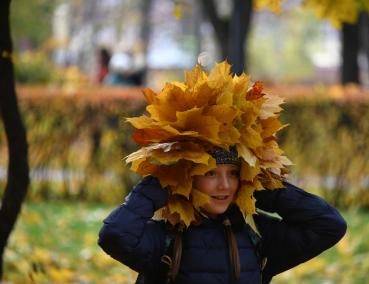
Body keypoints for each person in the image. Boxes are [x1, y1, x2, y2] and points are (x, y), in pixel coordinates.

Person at [98, 61, 347, 284]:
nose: (224, 185)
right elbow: (115, 235)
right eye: (210, 174)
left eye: (233, 173)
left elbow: (329, 226)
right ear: (188, 176)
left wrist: (262, 187)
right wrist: (162, 184)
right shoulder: (167, 237)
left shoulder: (255, 234)